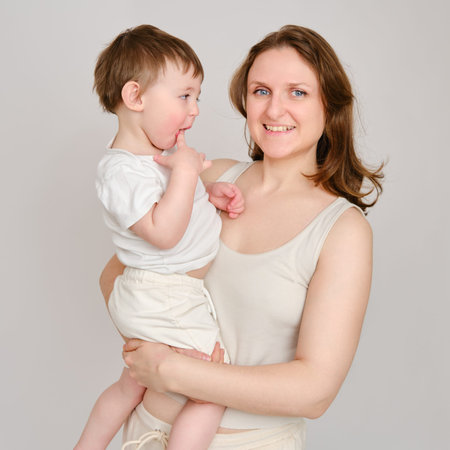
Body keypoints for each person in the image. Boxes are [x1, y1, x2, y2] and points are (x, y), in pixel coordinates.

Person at [101, 24, 384, 449]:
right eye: (261, 91)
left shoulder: (342, 231)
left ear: (331, 105)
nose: (275, 110)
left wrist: (172, 371)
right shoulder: (208, 177)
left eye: (298, 93)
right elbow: (116, 277)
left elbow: (315, 390)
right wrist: (152, 349)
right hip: (142, 433)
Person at [74, 25, 244, 450]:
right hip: (164, 295)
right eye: (185, 96)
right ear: (135, 98)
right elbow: (164, 233)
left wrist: (207, 197)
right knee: (211, 390)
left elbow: (171, 209)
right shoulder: (118, 170)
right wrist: (187, 172)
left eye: (197, 97)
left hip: (163, 294)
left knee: (132, 386)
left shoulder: (149, 162)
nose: (196, 110)